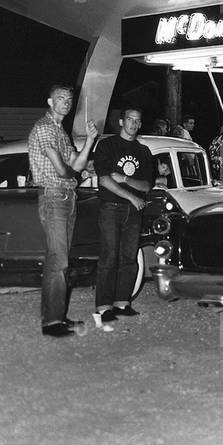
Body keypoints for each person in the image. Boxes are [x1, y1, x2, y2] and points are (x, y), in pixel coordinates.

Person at [27, 83, 98, 338]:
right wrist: (76, 175)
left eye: (69, 99)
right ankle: (53, 324)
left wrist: (90, 140)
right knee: (59, 261)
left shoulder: (61, 132)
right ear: (50, 102)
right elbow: (63, 169)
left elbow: (78, 162)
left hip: (67, 198)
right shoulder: (45, 128)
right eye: (60, 98)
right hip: (54, 196)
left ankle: (54, 318)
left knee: (57, 260)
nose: (66, 102)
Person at [93, 107, 152, 325]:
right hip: (111, 208)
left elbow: (146, 185)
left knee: (129, 259)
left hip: (134, 212)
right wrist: (131, 197)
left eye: (137, 121)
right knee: (109, 257)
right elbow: (105, 180)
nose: (134, 124)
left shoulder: (144, 151)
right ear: (121, 122)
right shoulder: (107, 145)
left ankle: (122, 303)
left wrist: (126, 180)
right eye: (130, 119)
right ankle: (103, 307)